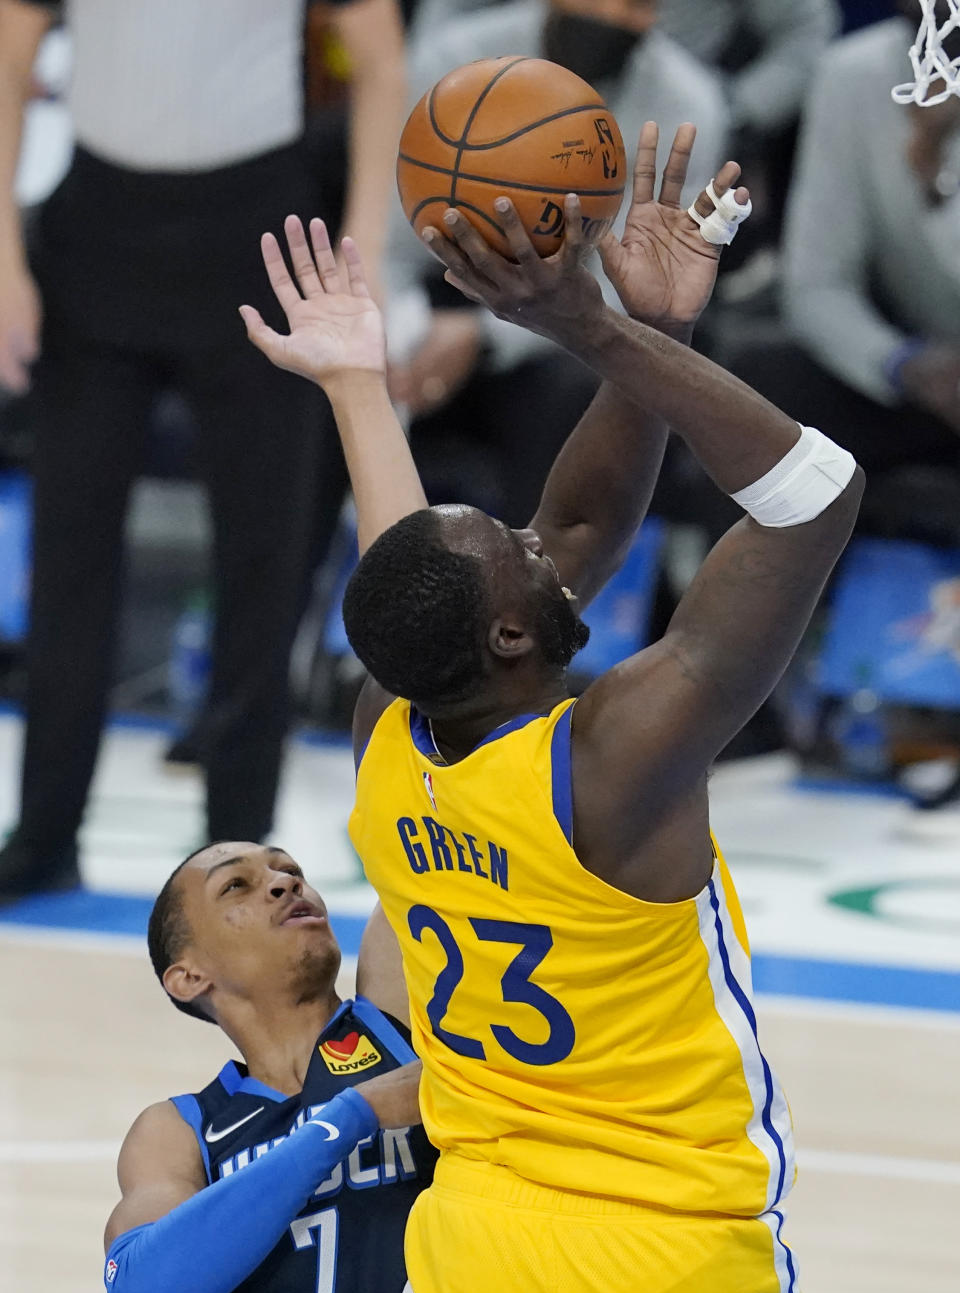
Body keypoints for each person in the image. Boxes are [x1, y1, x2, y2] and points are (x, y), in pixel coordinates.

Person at [241, 120, 860, 1293]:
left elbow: (536, 543)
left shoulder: (389, 730)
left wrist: (637, 340)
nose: (542, 539)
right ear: (516, 636)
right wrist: (597, 329)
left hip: (479, 1264)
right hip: (669, 1261)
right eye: (515, 552)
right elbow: (813, 493)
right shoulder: (620, 757)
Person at [0, 0, 407, 899]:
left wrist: (365, 245)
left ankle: (238, 850)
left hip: (257, 227)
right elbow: (10, 50)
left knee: (263, 558)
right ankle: (46, 829)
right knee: (69, 549)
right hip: (93, 228)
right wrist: (2, 256)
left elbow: (380, 61)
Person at [104, 840, 433, 1293]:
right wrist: (345, 1122)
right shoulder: (179, 1131)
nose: (284, 884)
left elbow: (426, 842)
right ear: (188, 975)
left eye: (291, 872)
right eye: (238, 886)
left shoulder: (395, 1025)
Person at [386, 0, 727, 523]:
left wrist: (486, 338)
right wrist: (395, 336)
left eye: (634, 5)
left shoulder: (689, 105)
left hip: (560, 329)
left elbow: (628, 287)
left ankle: (542, 590)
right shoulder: (454, 63)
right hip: (433, 297)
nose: (610, 16)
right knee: (337, 364)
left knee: (578, 392)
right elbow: (388, 244)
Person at [729, 1, 960, 544]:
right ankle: (767, 615)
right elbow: (817, 285)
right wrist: (904, 364)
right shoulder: (853, 74)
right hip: (933, 372)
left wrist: (934, 176)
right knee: (760, 383)